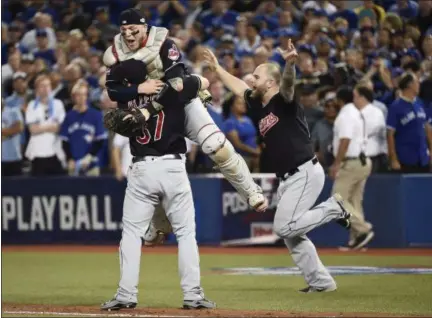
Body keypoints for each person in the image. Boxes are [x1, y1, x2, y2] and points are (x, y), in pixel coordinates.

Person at [203, 41, 352, 293]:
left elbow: (288, 84)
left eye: (257, 77)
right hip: (288, 178)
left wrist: (290, 64)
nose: (252, 80)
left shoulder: (284, 101)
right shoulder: (261, 106)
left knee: (284, 227)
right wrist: (218, 69)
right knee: (292, 235)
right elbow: (240, 88)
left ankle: (332, 209)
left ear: (270, 82)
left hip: (303, 170)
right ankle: (321, 283)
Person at [102, 8, 267, 213]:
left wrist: (149, 108)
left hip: (178, 101)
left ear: (145, 28)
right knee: (154, 166)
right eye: (124, 29)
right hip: (145, 106)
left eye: (133, 29)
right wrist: (138, 89)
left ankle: (250, 190)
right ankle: (158, 223)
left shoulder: (163, 43)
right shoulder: (116, 52)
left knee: (217, 146)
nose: (128, 35)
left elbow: (177, 82)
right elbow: (113, 91)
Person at [100, 59, 215, 311]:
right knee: (185, 233)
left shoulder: (124, 99)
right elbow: (202, 82)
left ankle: (126, 294)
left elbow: (114, 91)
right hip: (173, 166)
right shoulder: (174, 88)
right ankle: (193, 295)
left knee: (131, 234)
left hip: (141, 167)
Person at [330, 85, 375, 250]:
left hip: (352, 161)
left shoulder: (346, 115)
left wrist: (336, 163)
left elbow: (345, 140)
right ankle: (358, 239)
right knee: (355, 202)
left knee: (336, 201)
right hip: (363, 160)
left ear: (339, 100)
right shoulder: (357, 113)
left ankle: (363, 229)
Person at [60, 81, 107, 176]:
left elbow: (100, 140)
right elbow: (64, 141)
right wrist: (70, 158)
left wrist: (89, 156)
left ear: (87, 96)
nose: (81, 98)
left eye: (84, 95)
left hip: (91, 163)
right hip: (74, 163)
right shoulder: (69, 116)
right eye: (78, 95)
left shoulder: (96, 115)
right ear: (73, 97)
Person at [387, 72, 432, 173]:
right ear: (409, 85)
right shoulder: (395, 106)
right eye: (417, 82)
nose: (419, 85)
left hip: (423, 157)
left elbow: (427, 127)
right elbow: (390, 134)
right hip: (406, 158)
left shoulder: (420, 103)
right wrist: (393, 159)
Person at [25, 75, 65, 176]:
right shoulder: (32, 105)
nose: (46, 88)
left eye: (48, 85)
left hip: (55, 151)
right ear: (37, 89)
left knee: (58, 187)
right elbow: (32, 130)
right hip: (38, 152)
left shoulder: (58, 104)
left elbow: (60, 128)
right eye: (42, 86)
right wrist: (50, 127)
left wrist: (41, 127)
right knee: (38, 188)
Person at [224, 96, 260, 171]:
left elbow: (254, 137)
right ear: (232, 107)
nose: (243, 105)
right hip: (241, 159)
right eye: (239, 103)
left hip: (255, 159)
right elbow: (237, 144)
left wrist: (258, 150)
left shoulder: (248, 120)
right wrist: (255, 152)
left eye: (243, 103)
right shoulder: (230, 123)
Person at [2, 98, 24, 176]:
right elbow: (13, 130)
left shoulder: (14, 110)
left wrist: (6, 132)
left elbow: (19, 128)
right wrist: (9, 131)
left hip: (13, 159)